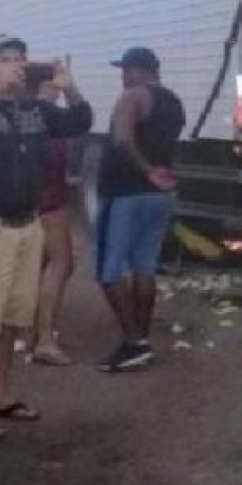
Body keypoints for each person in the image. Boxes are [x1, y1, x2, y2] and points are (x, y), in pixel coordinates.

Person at [0, 35, 91, 442]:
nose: (14, 66)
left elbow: (80, 122)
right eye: (4, 59)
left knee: (13, 317)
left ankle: (0, 394)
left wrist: (69, 86)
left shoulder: (35, 108)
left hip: (27, 225)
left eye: (19, 60)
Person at [93, 47, 185, 372]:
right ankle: (141, 340)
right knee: (144, 266)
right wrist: (156, 174)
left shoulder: (132, 98)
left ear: (142, 70)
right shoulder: (174, 102)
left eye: (127, 69)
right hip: (159, 197)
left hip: (125, 194)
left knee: (109, 270)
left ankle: (133, 343)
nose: (123, 76)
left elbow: (121, 141)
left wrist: (145, 170)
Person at [25, 69, 76, 366]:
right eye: (54, 83)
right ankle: (44, 338)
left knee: (41, 266)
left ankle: (30, 332)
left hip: (34, 200)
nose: (58, 88)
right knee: (59, 264)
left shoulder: (21, 112)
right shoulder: (45, 117)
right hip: (48, 202)